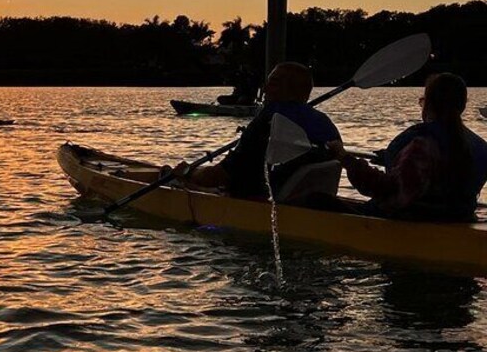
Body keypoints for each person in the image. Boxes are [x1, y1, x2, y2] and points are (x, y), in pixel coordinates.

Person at [328, 73, 487, 222]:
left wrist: (345, 159)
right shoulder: (480, 147)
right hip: (459, 219)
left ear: (429, 103)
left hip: (414, 221)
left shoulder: (422, 147)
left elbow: (389, 191)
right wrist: (396, 159)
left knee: (316, 199)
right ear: (463, 106)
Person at [175, 62, 341, 200]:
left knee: (185, 183)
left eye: (273, 83)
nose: (265, 89)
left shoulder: (269, 118)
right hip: (311, 206)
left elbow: (221, 175)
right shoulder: (326, 124)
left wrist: (189, 173)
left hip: (265, 207)